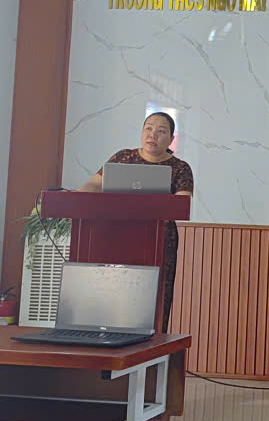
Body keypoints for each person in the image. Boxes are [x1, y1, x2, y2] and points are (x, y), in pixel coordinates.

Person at [77, 112, 193, 332]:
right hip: (116, 238)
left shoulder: (180, 168)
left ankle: (154, 346)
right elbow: (91, 185)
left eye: (161, 131)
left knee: (155, 298)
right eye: (148, 128)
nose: (153, 134)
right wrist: (78, 198)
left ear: (171, 139)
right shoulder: (123, 158)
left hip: (159, 242)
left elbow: (182, 203)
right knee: (115, 295)